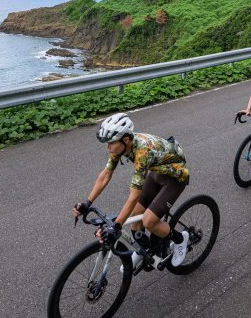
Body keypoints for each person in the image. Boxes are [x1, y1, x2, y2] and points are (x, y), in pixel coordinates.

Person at [72, 112, 190, 267]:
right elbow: (106, 174)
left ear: (126, 139)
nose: (108, 148)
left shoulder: (143, 152)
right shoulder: (120, 145)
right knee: (136, 215)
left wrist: (116, 226)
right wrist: (88, 202)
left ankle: (180, 239)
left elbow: (134, 195)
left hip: (175, 177)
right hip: (157, 172)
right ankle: (147, 250)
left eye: (110, 143)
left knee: (149, 221)